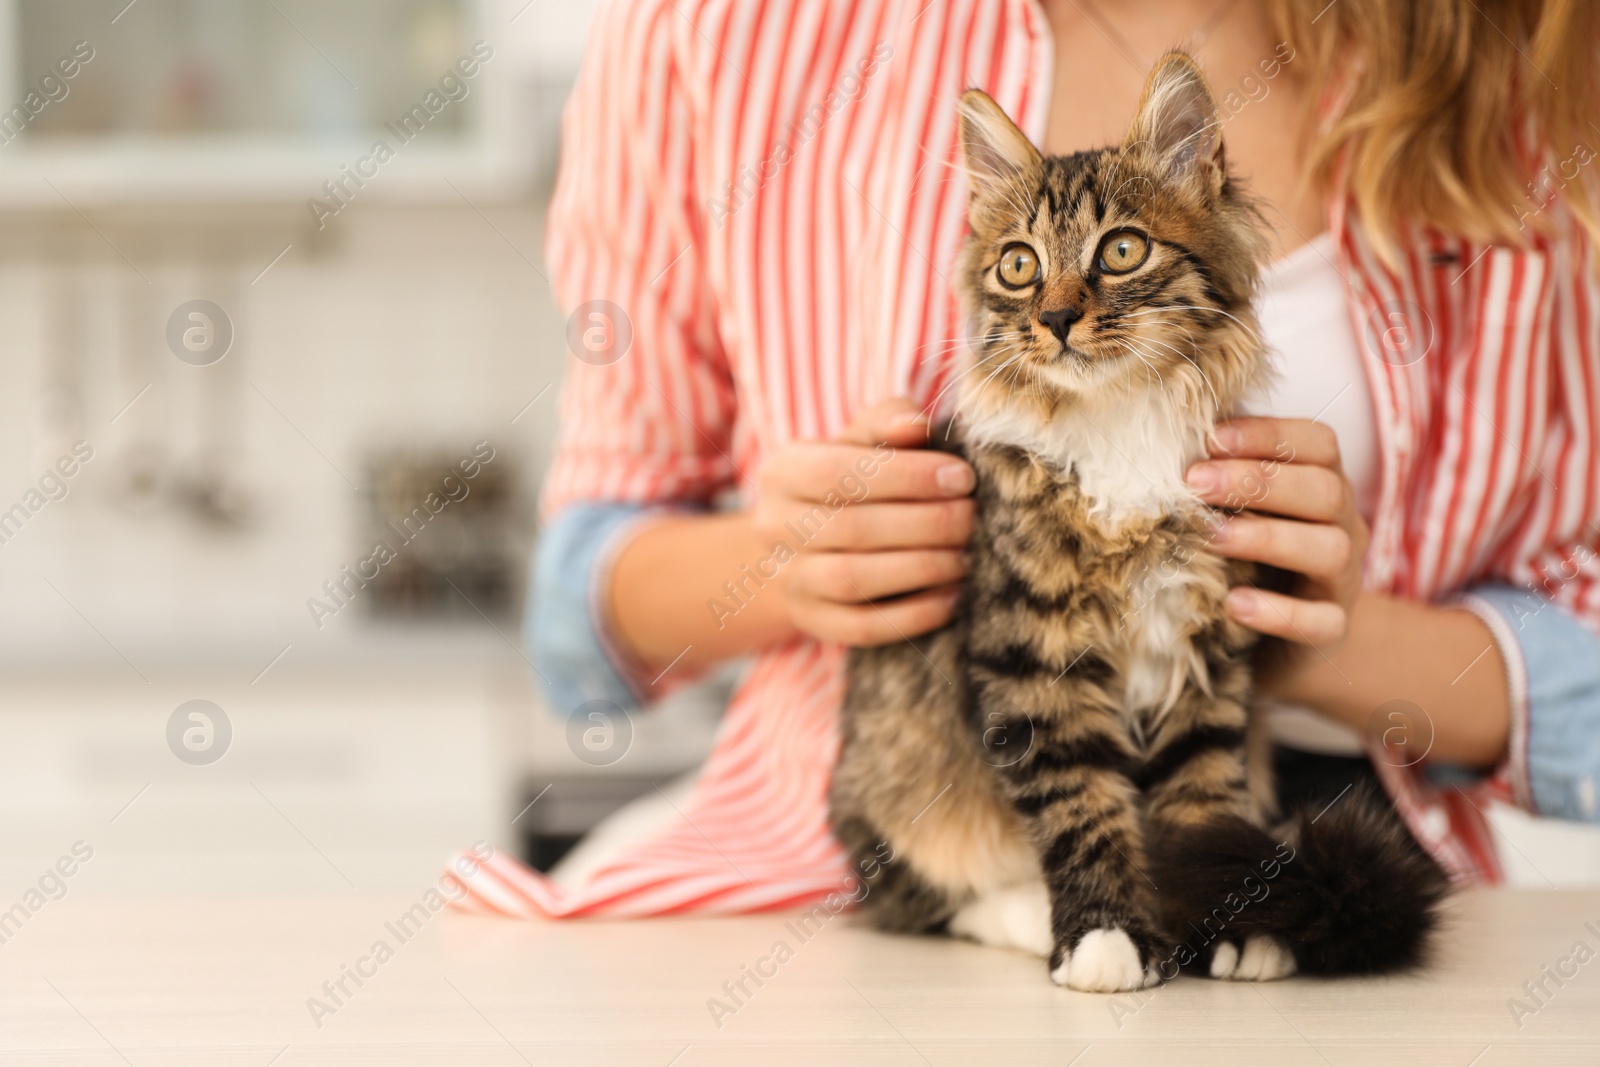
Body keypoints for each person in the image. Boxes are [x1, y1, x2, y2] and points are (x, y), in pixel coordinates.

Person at [450, 0, 1600, 918]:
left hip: (1327, 865)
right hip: (883, 862)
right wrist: (777, 560)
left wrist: (1306, 637)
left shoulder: (1513, 58)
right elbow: (578, 619)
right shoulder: (713, 28)